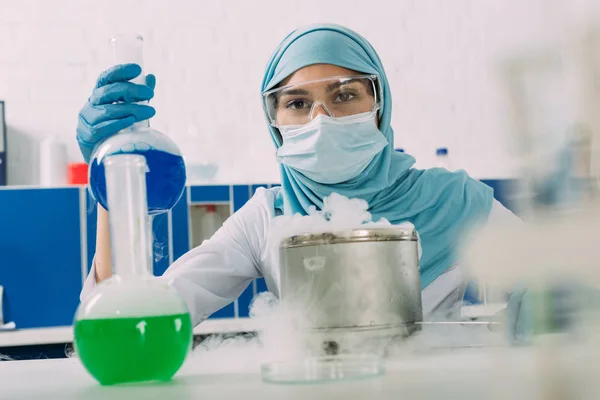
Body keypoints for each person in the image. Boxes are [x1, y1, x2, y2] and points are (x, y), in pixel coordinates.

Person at [77, 24, 526, 341]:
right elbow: (131, 319)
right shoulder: (266, 219)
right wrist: (109, 183)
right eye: (297, 102)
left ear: (380, 104)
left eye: (345, 94)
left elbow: (562, 285)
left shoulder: (455, 200)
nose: (322, 120)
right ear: (275, 121)